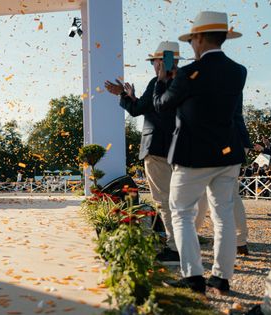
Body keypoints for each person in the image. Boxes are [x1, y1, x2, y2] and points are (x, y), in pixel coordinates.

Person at [153, 11, 246, 294]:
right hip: (228, 154)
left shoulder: (187, 73)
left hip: (192, 155)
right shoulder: (238, 70)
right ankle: (221, 277)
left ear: (201, 38)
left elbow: (162, 106)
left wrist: (162, 79)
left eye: (192, 39)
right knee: (223, 216)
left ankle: (193, 276)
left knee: (180, 212)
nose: (192, 44)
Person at [105, 41, 181, 264]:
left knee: (164, 201)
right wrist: (133, 97)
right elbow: (156, 109)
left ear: (160, 61)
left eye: (154, 62)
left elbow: (139, 111)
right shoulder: (184, 82)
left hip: (157, 148)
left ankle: (174, 248)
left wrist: (123, 95)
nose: (153, 66)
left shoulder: (158, 82)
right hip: (179, 148)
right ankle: (181, 242)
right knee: (178, 200)